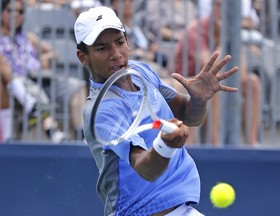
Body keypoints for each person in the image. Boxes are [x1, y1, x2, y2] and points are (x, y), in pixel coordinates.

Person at [75, 6, 238, 215]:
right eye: (101, 48)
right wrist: (165, 144)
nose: (115, 54)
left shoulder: (140, 70)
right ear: (83, 57)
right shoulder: (101, 110)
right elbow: (146, 169)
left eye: (119, 42)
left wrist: (198, 101)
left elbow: (189, 115)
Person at [174, 0, 261, 145]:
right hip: (185, 81)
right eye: (220, 5)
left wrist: (233, 38)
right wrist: (226, 39)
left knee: (253, 83)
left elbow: (242, 74)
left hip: (211, 83)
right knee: (213, 87)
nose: (226, 11)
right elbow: (208, 67)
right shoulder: (195, 29)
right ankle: (215, 144)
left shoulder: (234, 31)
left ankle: (252, 143)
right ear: (213, 6)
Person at [0, 0, 87, 141]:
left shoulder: (27, 36)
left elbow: (54, 52)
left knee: (76, 86)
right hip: (16, 84)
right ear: (2, 13)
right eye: (10, 10)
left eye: (20, 11)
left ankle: (81, 134)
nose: (15, 14)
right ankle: (51, 129)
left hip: (41, 77)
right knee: (31, 89)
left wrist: (46, 57)